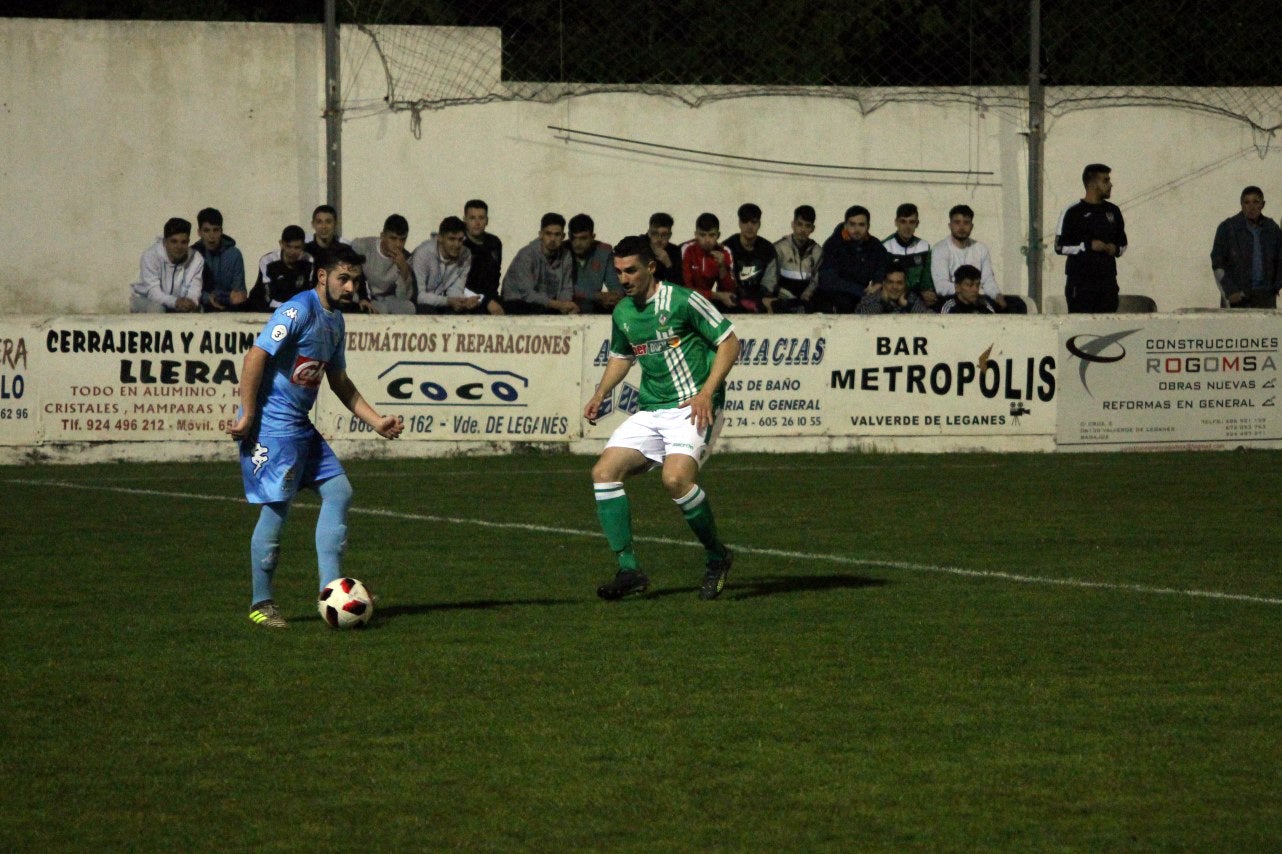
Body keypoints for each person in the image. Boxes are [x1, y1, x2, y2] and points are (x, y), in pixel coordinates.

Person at [226, 245, 404, 629]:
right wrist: (247, 414)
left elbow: (337, 379)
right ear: (322, 276)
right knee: (277, 507)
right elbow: (255, 356)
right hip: (274, 428)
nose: (350, 285)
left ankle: (330, 592)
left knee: (339, 491)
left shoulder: (335, 321)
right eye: (343, 278)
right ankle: (262, 602)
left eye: (355, 279)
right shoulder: (297, 310)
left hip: (300, 426)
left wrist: (375, 421)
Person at [583, 235, 739, 602]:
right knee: (603, 473)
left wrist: (706, 392)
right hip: (653, 409)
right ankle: (629, 570)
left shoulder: (684, 301)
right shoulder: (622, 312)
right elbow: (622, 357)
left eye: (631, 270)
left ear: (651, 267)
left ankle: (718, 557)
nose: (623, 278)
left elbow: (730, 342)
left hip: (693, 406)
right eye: (618, 271)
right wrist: (600, 394)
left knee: (675, 480)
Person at [1054, 163, 1128, 313]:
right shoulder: (1072, 212)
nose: (1111, 185)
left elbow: (1123, 242)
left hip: (1107, 284)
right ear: (1092, 184)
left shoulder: (1113, 211)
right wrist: (1087, 246)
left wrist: (1116, 249)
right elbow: (1059, 246)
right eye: (1105, 181)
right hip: (1080, 285)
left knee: (1107, 330)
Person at [1211, 185, 1282, 309]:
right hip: (1238, 298)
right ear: (1241, 204)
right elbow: (1218, 263)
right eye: (1247, 202)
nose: (1251, 207)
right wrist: (1230, 291)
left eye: (1256, 202)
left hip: (1265, 299)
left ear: (1263, 204)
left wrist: (1275, 286)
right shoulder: (1228, 228)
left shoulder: (1272, 228)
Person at [930, 204, 1009, 311]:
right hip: (953, 300)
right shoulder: (940, 249)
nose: (962, 227)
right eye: (957, 222)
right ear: (950, 225)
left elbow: (988, 280)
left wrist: (997, 295)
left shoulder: (981, 249)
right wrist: (967, 291)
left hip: (977, 298)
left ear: (972, 226)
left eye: (966, 223)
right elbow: (941, 287)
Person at [813, 205, 889, 312]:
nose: (856, 229)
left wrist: (878, 282)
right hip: (833, 298)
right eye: (852, 224)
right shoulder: (833, 245)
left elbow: (883, 265)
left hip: (861, 298)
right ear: (845, 225)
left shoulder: (875, 246)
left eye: (861, 225)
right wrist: (861, 291)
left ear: (868, 226)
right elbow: (827, 281)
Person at [501, 212, 579, 314]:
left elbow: (566, 289)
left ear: (563, 236)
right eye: (548, 233)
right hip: (517, 303)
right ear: (540, 234)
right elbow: (527, 294)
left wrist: (566, 306)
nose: (552, 239)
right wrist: (559, 305)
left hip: (546, 305)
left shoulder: (566, 256)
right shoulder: (527, 255)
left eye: (557, 234)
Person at [257, 205, 348, 284]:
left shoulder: (345, 250)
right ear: (313, 224)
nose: (324, 226)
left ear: (335, 224)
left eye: (328, 222)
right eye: (319, 222)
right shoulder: (305, 252)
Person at [129, 217, 203, 313]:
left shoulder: (196, 259)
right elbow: (153, 293)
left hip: (176, 302)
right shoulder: (151, 255)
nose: (179, 247)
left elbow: (195, 289)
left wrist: (191, 302)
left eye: (183, 242)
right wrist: (175, 302)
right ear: (165, 242)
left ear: (188, 242)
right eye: (174, 241)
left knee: (198, 310)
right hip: (144, 299)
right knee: (157, 309)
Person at [410, 216, 479, 314]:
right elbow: (419, 296)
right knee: (428, 311)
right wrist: (448, 301)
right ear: (440, 238)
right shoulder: (423, 253)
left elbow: (455, 288)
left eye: (460, 240)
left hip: (441, 300)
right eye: (451, 239)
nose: (457, 245)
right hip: (415, 302)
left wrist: (463, 302)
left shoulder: (465, 254)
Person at [349, 214, 415, 315]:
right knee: (380, 310)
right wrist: (361, 297)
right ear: (382, 236)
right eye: (393, 238)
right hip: (361, 297)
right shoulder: (363, 247)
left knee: (409, 308)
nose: (398, 244)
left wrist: (404, 269)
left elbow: (403, 298)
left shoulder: (405, 258)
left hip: (387, 299)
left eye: (402, 240)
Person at [724, 203, 777, 313]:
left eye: (753, 222)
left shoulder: (768, 249)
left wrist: (758, 300)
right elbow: (725, 281)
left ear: (759, 224)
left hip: (761, 300)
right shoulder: (728, 247)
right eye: (745, 221)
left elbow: (769, 283)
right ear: (739, 223)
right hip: (733, 299)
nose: (749, 226)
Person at [882, 202, 937, 309]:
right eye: (903, 222)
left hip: (916, 297)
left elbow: (926, 280)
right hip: (891, 298)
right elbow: (882, 280)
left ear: (917, 223)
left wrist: (926, 293)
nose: (907, 227)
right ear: (896, 222)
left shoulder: (924, 247)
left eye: (911, 222)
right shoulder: (885, 246)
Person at [249, 225, 315, 311]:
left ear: (303, 246)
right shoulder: (268, 261)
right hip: (269, 309)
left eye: (297, 248)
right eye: (288, 246)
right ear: (281, 244)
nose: (292, 252)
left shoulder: (308, 261)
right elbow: (267, 297)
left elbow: (308, 293)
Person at [770, 204, 823, 313]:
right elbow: (771, 279)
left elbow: (817, 279)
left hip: (806, 299)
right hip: (782, 298)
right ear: (793, 225)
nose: (803, 229)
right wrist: (786, 295)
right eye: (799, 224)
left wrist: (808, 293)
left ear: (812, 229)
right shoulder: (779, 248)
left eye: (807, 226)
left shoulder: (817, 251)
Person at [681, 212, 739, 310]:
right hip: (686, 301)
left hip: (707, 300)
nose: (707, 240)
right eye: (702, 235)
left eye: (712, 235)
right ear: (696, 235)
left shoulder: (724, 252)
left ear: (718, 235)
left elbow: (729, 292)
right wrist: (717, 295)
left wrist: (722, 267)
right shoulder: (687, 250)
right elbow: (685, 290)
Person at [194, 207, 248, 312]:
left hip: (230, 308)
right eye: (206, 231)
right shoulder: (193, 255)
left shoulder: (234, 254)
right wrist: (207, 298)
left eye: (216, 230)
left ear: (221, 231)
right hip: (201, 308)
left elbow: (238, 294)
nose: (211, 236)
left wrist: (217, 297)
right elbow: (187, 291)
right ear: (199, 232)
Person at [568, 213, 624, 314]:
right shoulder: (562, 251)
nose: (577, 243)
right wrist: (597, 296)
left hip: (594, 306)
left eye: (583, 238)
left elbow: (616, 286)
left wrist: (613, 298)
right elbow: (562, 288)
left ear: (593, 237)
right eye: (574, 238)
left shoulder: (603, 252)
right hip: (568, 305)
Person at [462, 199, 505, 315]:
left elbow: (495, 276)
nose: (477, 223)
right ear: (465, 220)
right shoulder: (460, 243)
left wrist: (491, 299)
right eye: (472, 218)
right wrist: (485, 301)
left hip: (491, 297)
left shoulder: (494, 243)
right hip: (467, 298)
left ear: (487, 220)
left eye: (481, 218)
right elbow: (459, 282)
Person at [857, 265, 932, 314]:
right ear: (884, 283)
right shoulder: (873, 297)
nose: (894, 287)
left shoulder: (911, 298)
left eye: (899, 283)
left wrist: (907, 305)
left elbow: (934, 319)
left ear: (905, 284)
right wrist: (883, 302)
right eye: (890, 282)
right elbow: (858, 316)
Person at [645, 212, 684, 286]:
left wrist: (668, 264)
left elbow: (679, 286)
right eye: (655, 234)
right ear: (649, 233)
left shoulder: (674, 251)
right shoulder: (638, 246)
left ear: (670, 235)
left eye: (664, 235)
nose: (659, 239)